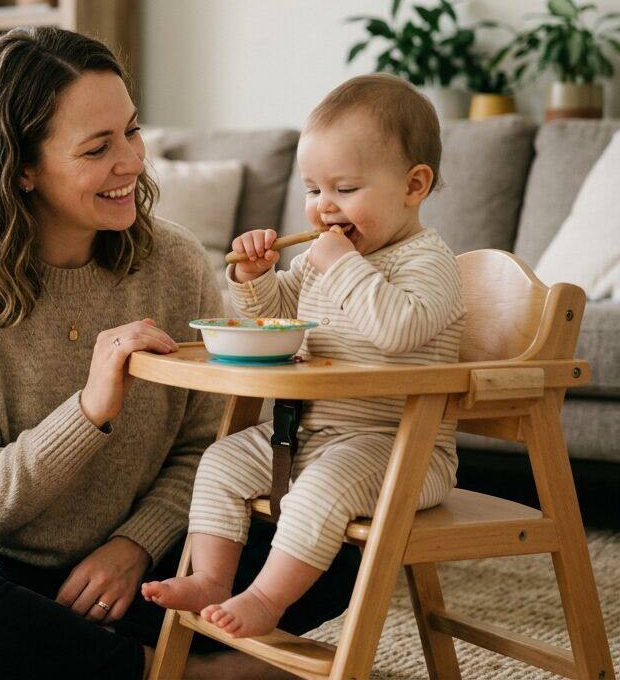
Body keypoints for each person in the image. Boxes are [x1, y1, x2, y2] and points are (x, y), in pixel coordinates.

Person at [0, 26, 359, 679]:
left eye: (132, 132)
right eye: (97, 147)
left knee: (344, 541)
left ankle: (93, 660)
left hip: (136, 564)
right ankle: (188, 672)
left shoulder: (176, 263)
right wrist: (89, 410)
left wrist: (136, 545)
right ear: (19, 167)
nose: (131, 162)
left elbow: (207, 446)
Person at [143, 73, 465, 639]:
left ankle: (266, 600)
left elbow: (398, 329)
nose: (323, 209)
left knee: (321, 489)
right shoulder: (328, 259)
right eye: (314, 191)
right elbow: (280, 316)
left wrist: (340, 264)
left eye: (344, 189)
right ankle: (214, 579)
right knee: (218, 461)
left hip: (402, 448)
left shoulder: (428, 262)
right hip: (311, 436)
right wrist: (256, 275)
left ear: (414, 185)